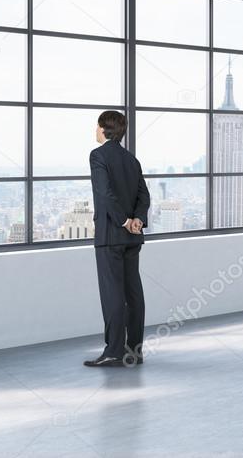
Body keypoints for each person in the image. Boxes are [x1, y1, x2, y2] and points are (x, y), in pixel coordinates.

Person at [83, 111, 151, 368]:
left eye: (96, 126)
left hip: (111, 235)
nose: (95, 130)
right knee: (133, 293)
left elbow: (104, 193)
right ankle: (134, 351)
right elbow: (144, 195)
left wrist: (123, 221)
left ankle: (113, 352)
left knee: (112, 294)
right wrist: (137, 220)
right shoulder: (131, 159)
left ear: (103, 128)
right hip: (133, 237)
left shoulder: (98, 155)